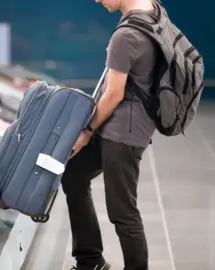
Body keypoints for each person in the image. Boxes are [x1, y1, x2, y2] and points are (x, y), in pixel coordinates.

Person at [61, 0, 162, 269]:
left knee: (122, 211)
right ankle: (90, 259)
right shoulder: (153, 11)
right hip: (123, 124)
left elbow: (114, 94)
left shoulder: (126, 35)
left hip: (123, 134)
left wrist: (87, 131)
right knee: (74, 173)